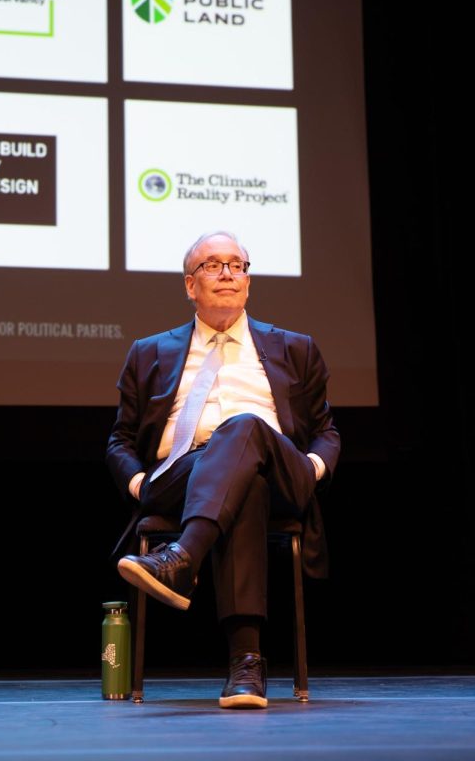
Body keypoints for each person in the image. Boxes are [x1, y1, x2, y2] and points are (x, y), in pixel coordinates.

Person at [106, 231, 339, 709]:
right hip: (180, 476)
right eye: (213, 265)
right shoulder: (149, 352)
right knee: (242, 481)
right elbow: (121, 440)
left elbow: (326, 432)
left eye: (238, 264)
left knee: (245, 429)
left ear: (248, 281)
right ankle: (247, 665)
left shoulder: (295, 348)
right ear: (190, 285)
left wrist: (311, 469)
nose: (229, 273)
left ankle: (180, 559)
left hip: (282, 475)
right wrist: (138, 483)